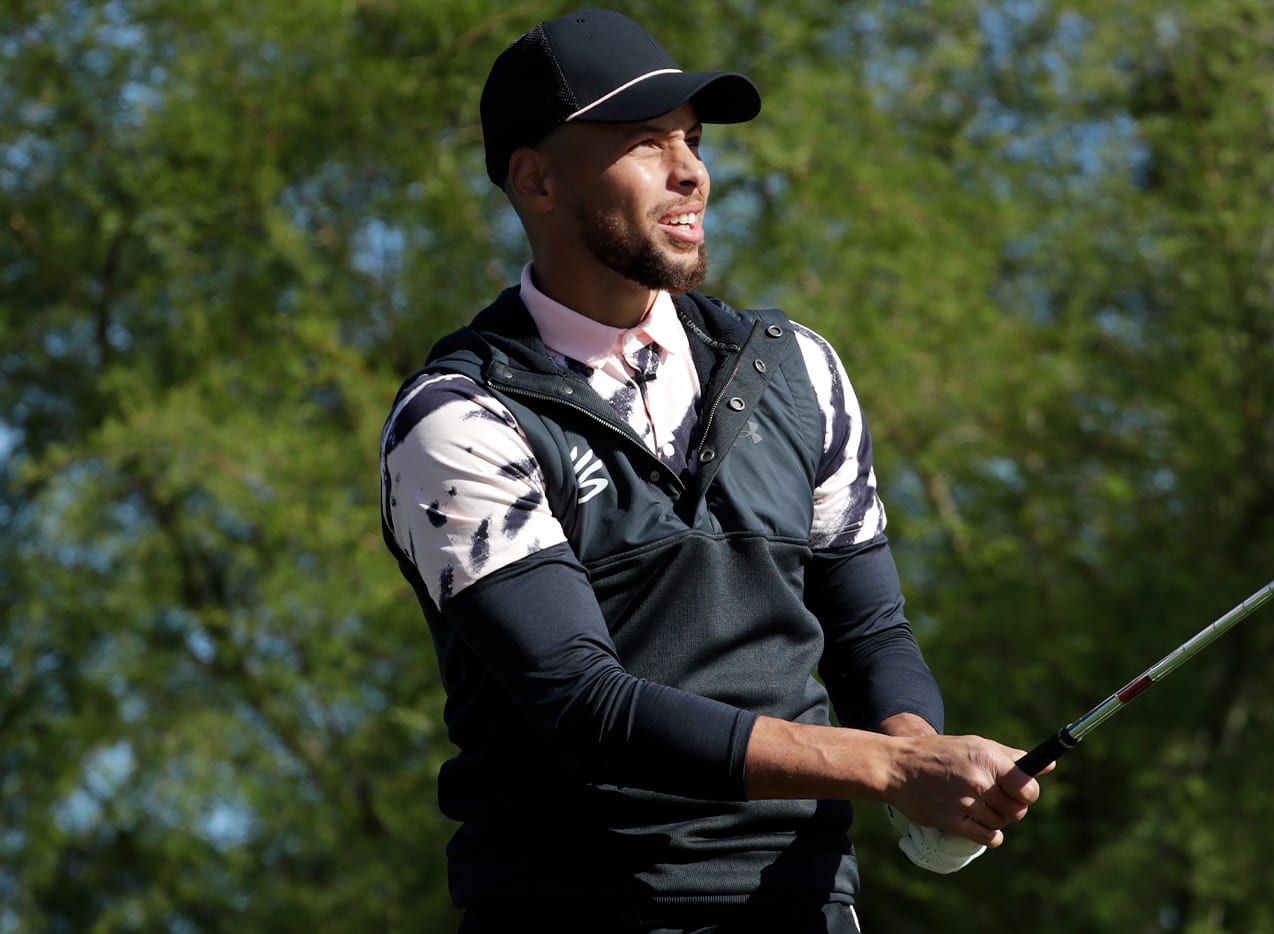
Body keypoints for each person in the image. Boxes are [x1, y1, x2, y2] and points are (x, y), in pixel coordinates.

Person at [378, 10, 1043, 931]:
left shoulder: (799, 367)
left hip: (807, 908)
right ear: (534, 178)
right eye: (647, 144)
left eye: (691, 140)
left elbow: (870, 634)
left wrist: (922, 759)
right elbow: (585, 707)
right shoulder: (458, 415)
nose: (692, 171)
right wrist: (887, 771)